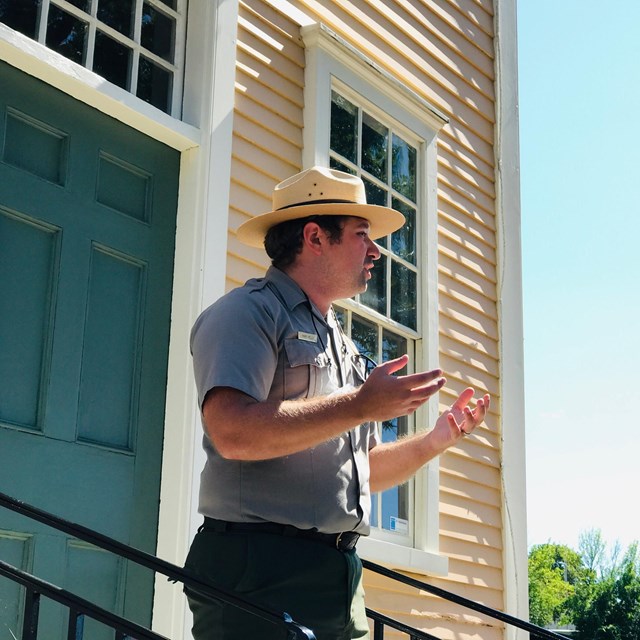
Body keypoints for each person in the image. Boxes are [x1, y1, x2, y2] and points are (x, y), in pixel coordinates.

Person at [184, 166, 490, 640]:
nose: (376, 251)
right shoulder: (246, 314)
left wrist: (435, 440)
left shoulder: (342, 344)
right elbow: (232, 432)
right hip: (257, 571)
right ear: (314, 236)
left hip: (340, 577)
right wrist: (360, 406)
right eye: (362, 235)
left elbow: (363, 470)